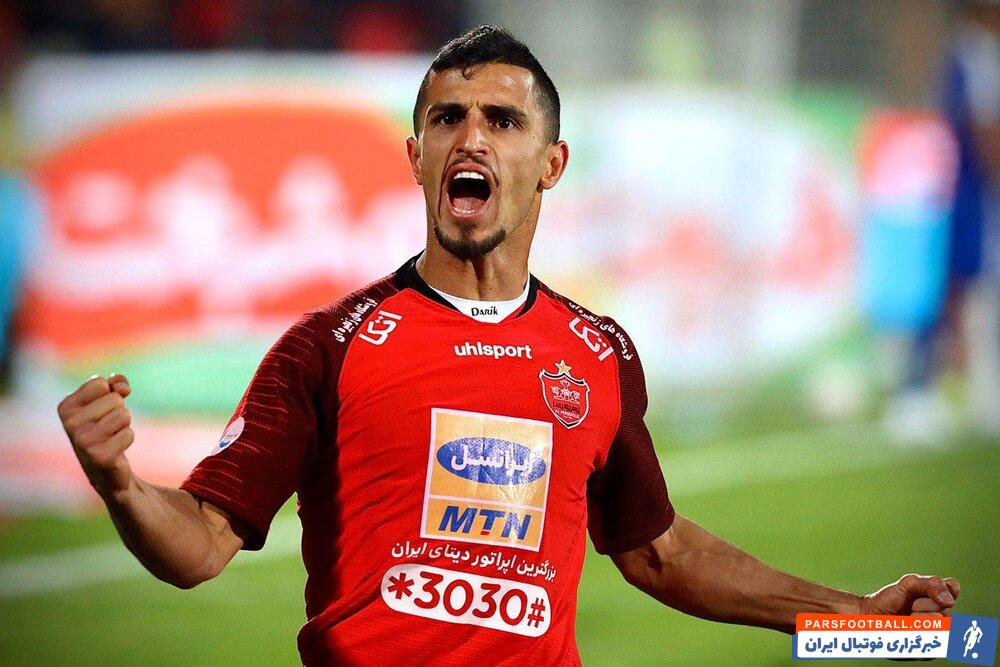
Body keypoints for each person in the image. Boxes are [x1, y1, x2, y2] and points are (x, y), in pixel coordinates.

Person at [57, 26, 961, 666]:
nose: (471, 138)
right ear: (416, 155)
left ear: (551, 164)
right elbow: (199, 547)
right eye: (447, 118)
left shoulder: (597, 352)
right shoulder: (326, 348)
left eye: (502, 119)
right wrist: (121, 483)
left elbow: (660, 552)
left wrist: (861, 622)